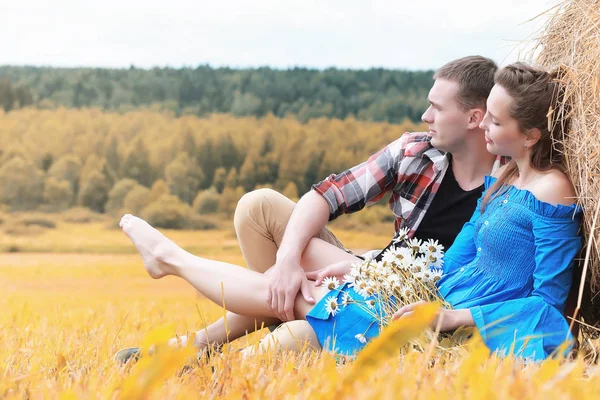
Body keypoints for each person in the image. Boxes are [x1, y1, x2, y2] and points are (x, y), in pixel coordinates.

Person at [117, 62, 582, 361]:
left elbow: (549, 304)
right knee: (291, 261)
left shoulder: (542, 185)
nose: (425, 116)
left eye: (436, 108)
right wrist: (362, 268)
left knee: (312, 300)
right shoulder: (481, 173)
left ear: (524, 134)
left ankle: (179, 289)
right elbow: (332, 196)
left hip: (456, 311)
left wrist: (456, 318)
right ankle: (183, 277)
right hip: (423, 285)